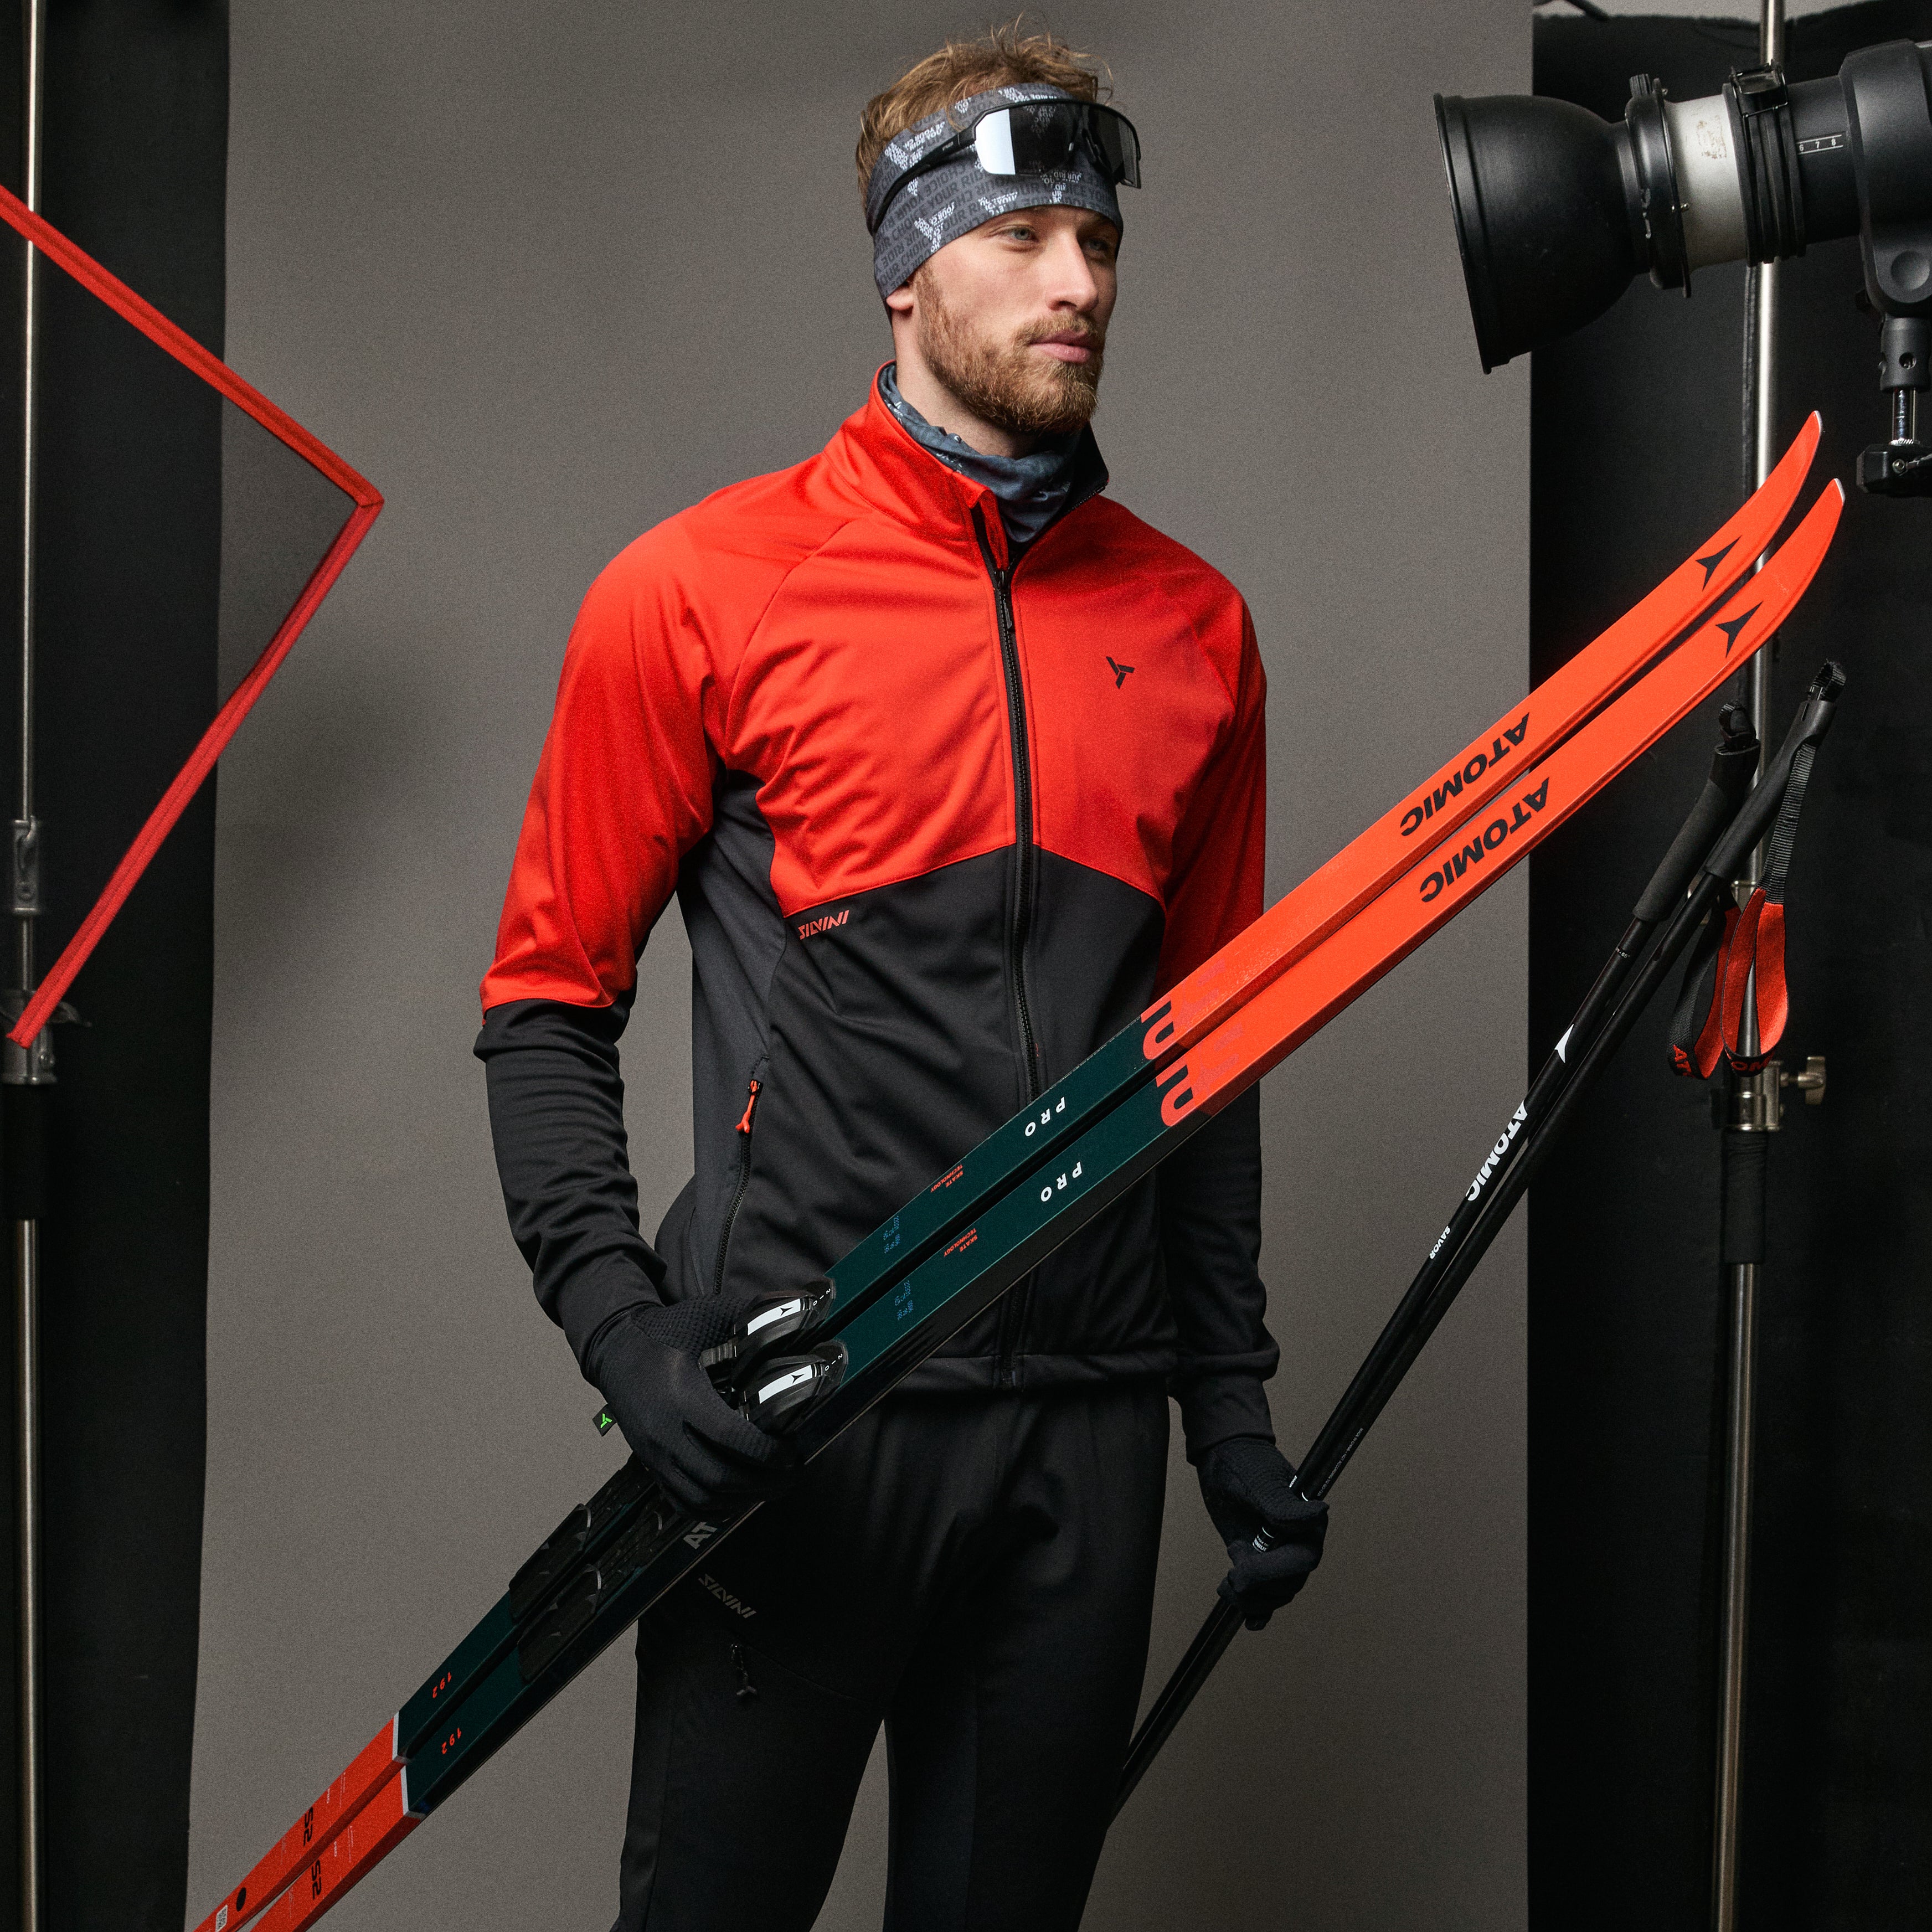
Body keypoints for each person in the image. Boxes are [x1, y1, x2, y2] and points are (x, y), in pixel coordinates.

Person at [477, 25, 1328, 1931]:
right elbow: (543, 1003)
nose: (1078, 281)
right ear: (903, 266)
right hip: (804, 1408)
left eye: (1098, 239)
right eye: (1023, 237)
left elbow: (1208, 1054)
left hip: (1085, 1436)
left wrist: (1227, 1414)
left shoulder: (1196, 627)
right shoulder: (697, 590)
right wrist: (626, 1332)